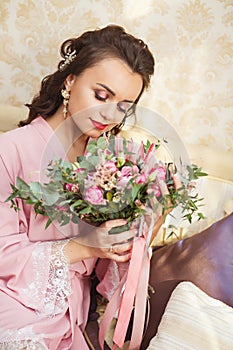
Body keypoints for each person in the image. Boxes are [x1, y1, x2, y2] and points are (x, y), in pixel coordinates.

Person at [0, 25, 159, 349]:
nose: (109, 113)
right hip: (13, 303)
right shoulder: (10, 150)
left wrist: (142, 227)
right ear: (70, 81)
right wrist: (88, 246)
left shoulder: (111, 164)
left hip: (72, 316)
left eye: (123, 105)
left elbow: (106, 273)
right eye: (101, 95)